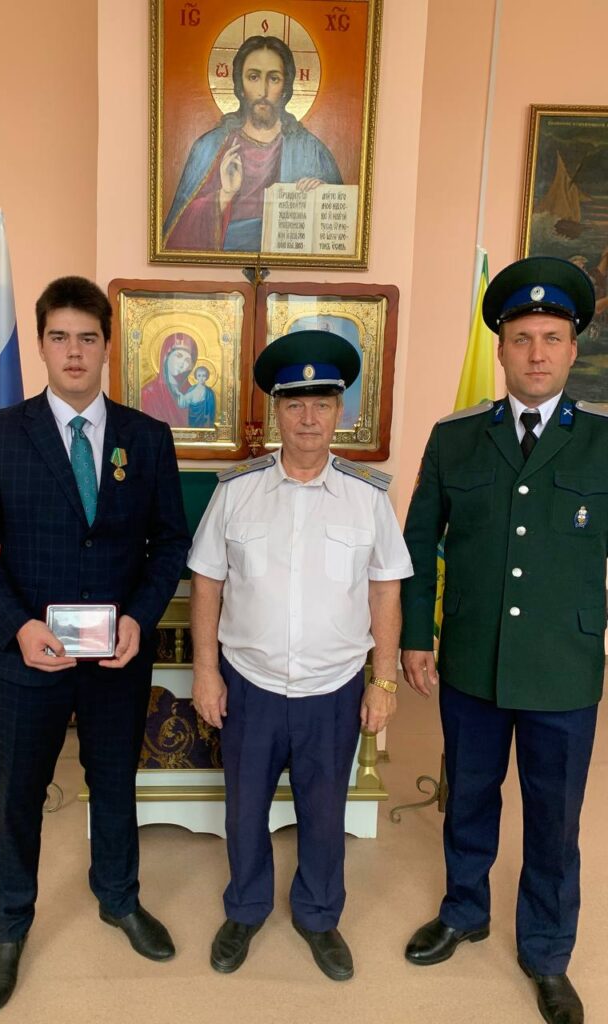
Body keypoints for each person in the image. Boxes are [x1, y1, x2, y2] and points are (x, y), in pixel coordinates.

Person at [0, 276, 190, 1012]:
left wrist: (140, 617)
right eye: (59, 337)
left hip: (116, 659)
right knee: (20, 792)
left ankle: (118, 898)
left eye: (88, 337)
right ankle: (10, 925)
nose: (74, 351)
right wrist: (18, 625)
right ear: (42, 344)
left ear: (108, 346)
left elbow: (169, 543)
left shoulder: (147, 438)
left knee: (114, 782)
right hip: (29, 659)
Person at [400, 256, 604, 1024]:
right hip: (471, 660)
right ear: (501, 349)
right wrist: (414, 636)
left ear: (573, 349)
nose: (537, 354)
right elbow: (418, 545)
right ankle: (464, 911)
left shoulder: (603, 441)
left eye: (551, 338)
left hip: (563, 667)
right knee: (469, 796)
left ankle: (547, 953)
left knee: (554, 820)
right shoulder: (456, 439)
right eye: (523, 339)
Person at [188, 330, 412, 980]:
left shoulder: (368, 496)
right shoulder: (237, 490)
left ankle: (318, 916)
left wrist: (384, 681)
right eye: (295, 404)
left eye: (322, 403)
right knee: (243, 809)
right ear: (276, 412)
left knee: (324, 812)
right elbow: (206, 582)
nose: (309, 418)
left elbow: (386, 590)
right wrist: (206, 671)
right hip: (250, 684)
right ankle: (246, 908)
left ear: (340, 411)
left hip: (333, 688)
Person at [163, 35, 342, 253]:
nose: (262, 92)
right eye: (253, 77)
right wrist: (224, 195)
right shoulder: (208, 147)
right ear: (240, 85)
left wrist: (323, 199)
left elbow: (339, 232)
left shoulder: (312, 152)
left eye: (274, 78)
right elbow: (175, 240)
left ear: (286, 86)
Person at [140, 331, 197, 427]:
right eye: (179, 356)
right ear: (166, 356)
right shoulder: (148, 393)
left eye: (187, 360)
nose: (182, 363)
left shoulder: (193, 394)